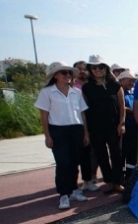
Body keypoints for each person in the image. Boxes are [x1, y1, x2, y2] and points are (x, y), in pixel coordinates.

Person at [34, 62, 89, 209]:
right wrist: (47, 135)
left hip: (76, 129)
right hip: (58, 130)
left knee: (74, 162)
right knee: (63, 162)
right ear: (55, 75)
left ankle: (74, 190)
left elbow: (82, 114)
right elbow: (44, 115)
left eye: (69, 73)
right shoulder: (46, 92)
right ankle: (64, 194)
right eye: (64, 72)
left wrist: (86, 133)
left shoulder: (76, 92)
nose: (67, 75)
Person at [81, 55, 126, 193]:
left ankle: (118, 182)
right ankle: (110, 181)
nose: (97, 70)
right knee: (101, 156)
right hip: (95, 129)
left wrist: (121, 123)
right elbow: (84, 111)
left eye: (100, 67)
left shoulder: (116, 85)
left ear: (106, 68)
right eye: (94, 67)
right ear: (90, 69)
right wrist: (86, 131)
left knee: (116, 154)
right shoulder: (86, 88)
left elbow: (122, 106)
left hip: (114, 126)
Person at [72, 60, 98, 191]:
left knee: (92, 152)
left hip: (93, 122)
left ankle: (90, 178)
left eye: (84, 69)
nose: (82, 71)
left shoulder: (93, 84)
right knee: (77, 154)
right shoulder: (72, 86)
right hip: (77, 123)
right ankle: (74, 184)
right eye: (79, 69)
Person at [118, 71, 138, 179]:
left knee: (133, 152)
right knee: (122, 153)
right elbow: (121, 107)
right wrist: (134, 110)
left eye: (133, 80)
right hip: (123, 128)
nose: (132, 82)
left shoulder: (133, 93)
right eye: (130, 80)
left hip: (133, 127)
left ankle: (130, 176)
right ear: (122, 80)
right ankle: (120, 177)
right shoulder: (118, 91)